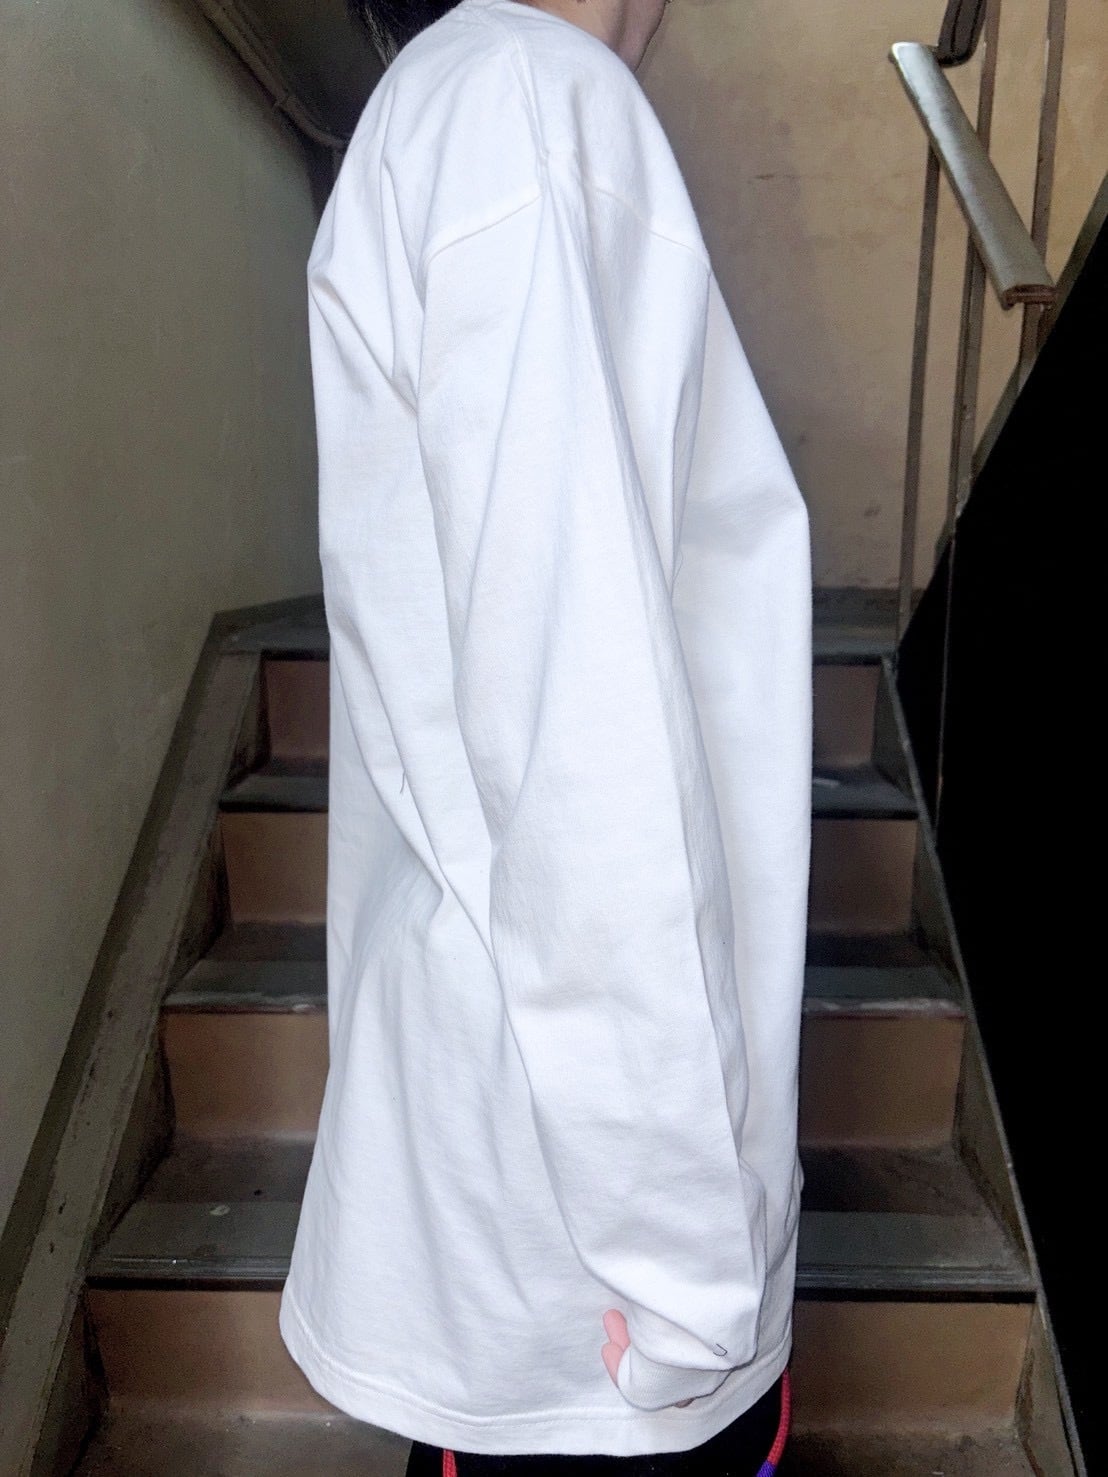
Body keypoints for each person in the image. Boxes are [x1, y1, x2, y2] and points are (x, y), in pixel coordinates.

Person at [278, 0, 812, 1472]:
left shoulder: (463, 102)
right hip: (605, 1276)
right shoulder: (526, 100)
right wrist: (690, 1267)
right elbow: (585, 740)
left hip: (563, 1215)